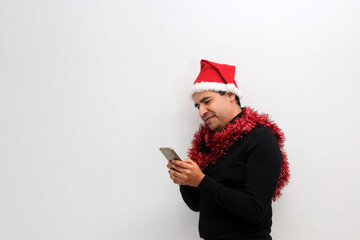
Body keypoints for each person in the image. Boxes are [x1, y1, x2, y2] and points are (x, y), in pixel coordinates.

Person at [167, 59, 290, 240]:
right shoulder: (206, 145)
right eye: (197, 106)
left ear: (231, 95)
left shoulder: (260, 139)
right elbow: (197, 205)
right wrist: (185, 180)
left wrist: (201, 181)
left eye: (207, 101)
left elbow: (255, 210)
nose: (201, 111)